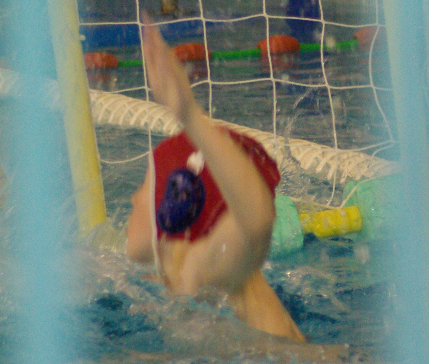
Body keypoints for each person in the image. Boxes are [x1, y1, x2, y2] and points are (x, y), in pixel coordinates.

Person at [126, 21, 305, 343]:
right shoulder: (169, 281)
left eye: (145, 185)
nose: (134, 199)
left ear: (178, 205)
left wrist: (190, 117)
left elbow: (256, 222)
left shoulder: (203, 269)